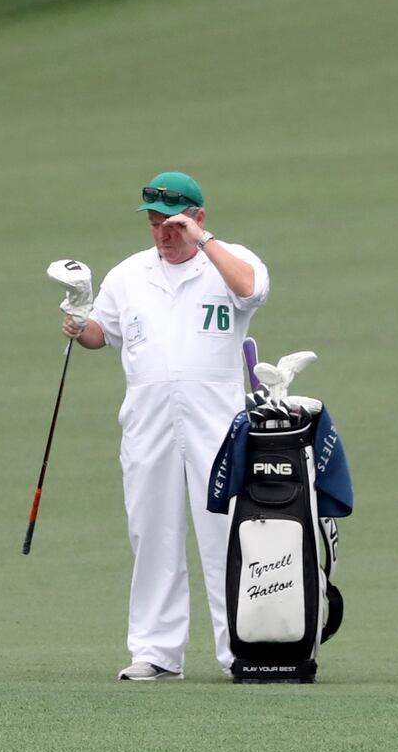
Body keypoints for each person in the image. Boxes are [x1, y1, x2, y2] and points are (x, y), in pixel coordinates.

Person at [61, 171, 268, 681]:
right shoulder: (129, 275)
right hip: (148, 421)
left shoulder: (231, 262)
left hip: (216, 423)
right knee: (152, 531)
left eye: (173, 223)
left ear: (197, 217)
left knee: (225, 533)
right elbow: (100, 335)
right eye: (155, 223)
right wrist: (76, 322)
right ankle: (156, 651)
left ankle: (239, 649)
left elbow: (250, 290)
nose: (162, 233)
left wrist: (204, 242)